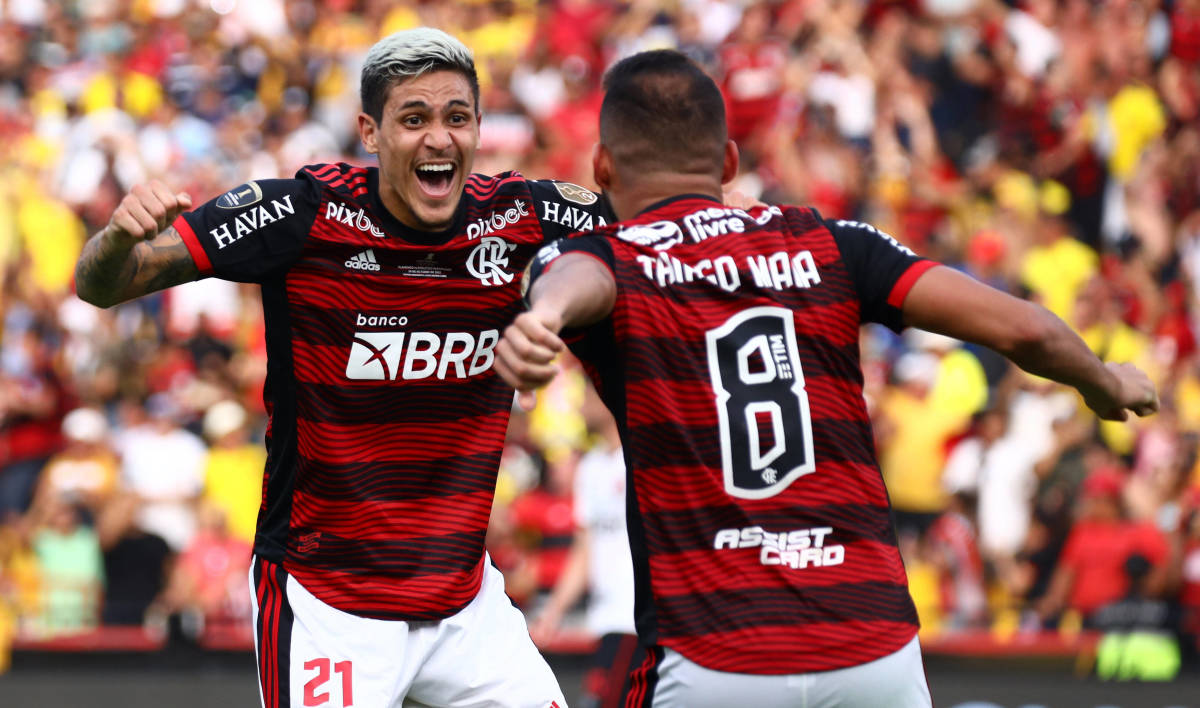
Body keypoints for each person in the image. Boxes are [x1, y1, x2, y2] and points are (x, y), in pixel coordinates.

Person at [493, 49, 1159, 708]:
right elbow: (1028, 331)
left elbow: (580, 278)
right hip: (872, 651)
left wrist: (544, 313)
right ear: (727, 161)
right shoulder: (832, 245)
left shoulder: (609, 258)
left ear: (602, 165)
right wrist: (1103, 380)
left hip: (716, 654)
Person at [75, 27, 613, 708]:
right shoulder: (300, 215)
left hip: (465, 601)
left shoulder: (523, 215)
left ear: (479, 126)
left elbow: (661, 231)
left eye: (457, 117)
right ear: (370, 130)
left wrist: (556, 311)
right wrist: (120, 237)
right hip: (328, 601)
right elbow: (102, 284)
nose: (439, 139)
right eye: (413, 119)